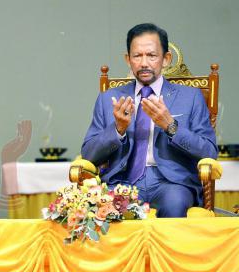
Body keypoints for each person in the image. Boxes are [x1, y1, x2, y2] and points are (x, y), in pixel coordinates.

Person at [81, 23, 217, 217]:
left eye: (152, 55)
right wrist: (117, 129)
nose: (144, 63)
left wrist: (171, 126)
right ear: (128, 60)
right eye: (137, 56)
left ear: (166, 59)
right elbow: (88, 154)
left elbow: (209, 151)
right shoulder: (109, 99)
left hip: (171, 183)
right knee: (103, 208)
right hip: (122, 182)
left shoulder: (191, 97)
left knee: (174, 203)